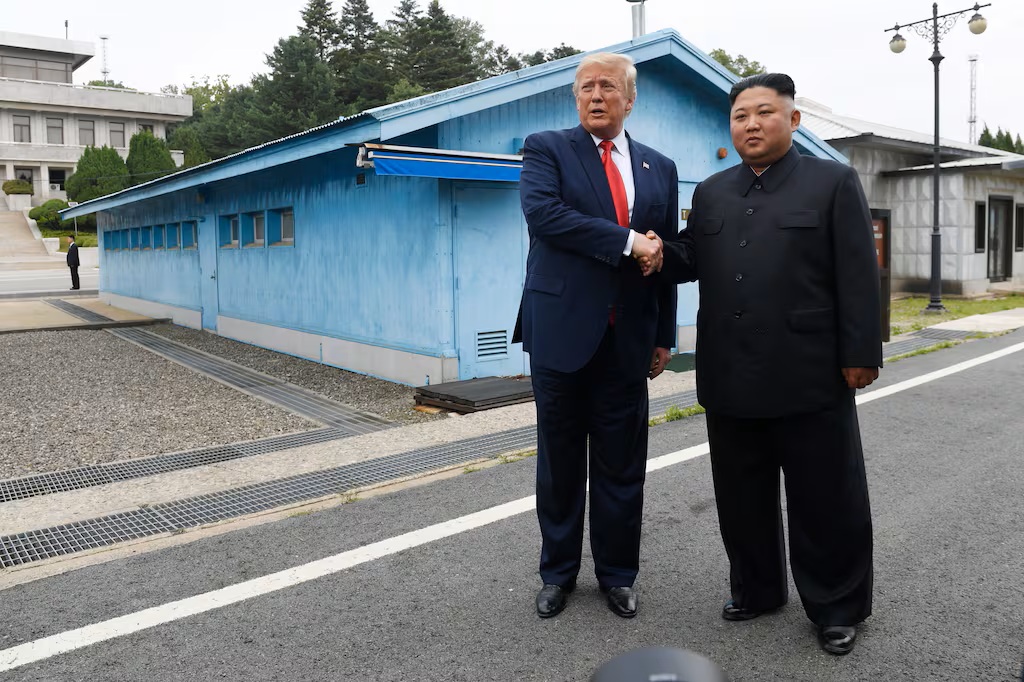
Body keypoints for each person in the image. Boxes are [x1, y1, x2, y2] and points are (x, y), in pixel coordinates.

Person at [655, 73, 881, 654]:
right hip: (730, 371)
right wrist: (648, 251)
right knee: (740, 494)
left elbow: (858, 273)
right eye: (740, 116)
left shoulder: (831, 181)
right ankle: (757, 590)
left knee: (826, 495)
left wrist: (860, 352)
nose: (751, 125)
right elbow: (690, 256)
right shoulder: (713, 191)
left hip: (811, 371)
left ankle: (836, 605)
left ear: (793, 120)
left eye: (764, 113)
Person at [514, 52, 677, 619]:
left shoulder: (660, 166)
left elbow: (667, 257)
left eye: (608, 86)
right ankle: (557, 573)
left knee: (621, 463)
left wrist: (664, 334)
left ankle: (618, 574)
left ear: (630, 99)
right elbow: (545, 217)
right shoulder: (546, 148)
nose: (596, 95)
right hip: (561, 332)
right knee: (559, 463)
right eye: (585, 87)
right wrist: (630, 242)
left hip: (628, 338)